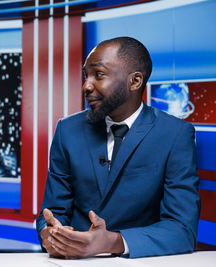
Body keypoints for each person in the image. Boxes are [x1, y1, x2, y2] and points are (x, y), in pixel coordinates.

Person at [36, 37, 200, 259]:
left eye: (99, 75)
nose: (87, 85)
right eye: (86, 75)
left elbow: (182, 230)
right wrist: (51, 235)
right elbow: (52, 212)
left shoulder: (175, 134)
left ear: (135, 81)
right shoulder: (67, 130)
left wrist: (114, 242)